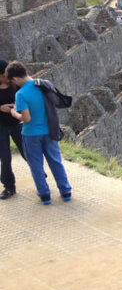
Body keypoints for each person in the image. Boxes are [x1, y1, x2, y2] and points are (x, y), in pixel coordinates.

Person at [5, 61, 71, 204]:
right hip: (50, 130)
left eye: (12, 81)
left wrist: (13, 112)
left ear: (15, 79)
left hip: (31, 134)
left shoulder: (21, 94)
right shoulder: (45, 84)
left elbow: (26, 118)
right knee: (55, 161)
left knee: (36, 165)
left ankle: (45, 195)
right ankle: (66, 192)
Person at [0, 59, 25, 200]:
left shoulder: (16, 85)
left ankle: (39, 176)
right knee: (5, 158)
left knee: (27, 153)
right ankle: (9, 187)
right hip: (1, 126)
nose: (6, 77)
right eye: (3, 74)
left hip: (17, 124)